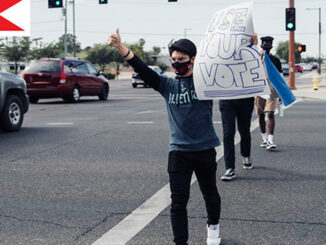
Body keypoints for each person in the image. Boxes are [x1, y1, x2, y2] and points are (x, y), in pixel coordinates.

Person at [108, 28, 221, 245]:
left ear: (193, 59)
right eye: (173, 60)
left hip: (205, 149)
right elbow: (140, 67)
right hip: (178, 151)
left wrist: (252, 47)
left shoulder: (205, 82)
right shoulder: (167, 85)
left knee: (210, 194)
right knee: (178, 201)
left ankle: (213, 227)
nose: (176, 63)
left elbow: (235, 72)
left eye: (181, 59)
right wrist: (120, 46)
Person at [220, 34, 258, 181]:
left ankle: (246, 155)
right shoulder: (220, 55)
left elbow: (258, 64)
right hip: (227, 98)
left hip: (244, 98)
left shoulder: (248, 53)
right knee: (228, 133)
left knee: (244, 130)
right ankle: (229, 167)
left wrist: (254, 46)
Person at [255, 36, 282, 150]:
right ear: (261, 45)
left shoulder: (275, 60)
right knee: (261, 115)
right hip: (259, 90)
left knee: (270, 114)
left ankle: (270, 140)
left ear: (271, 46)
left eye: (269, 44)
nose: (267, 46)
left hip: (272, 91)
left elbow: (279, 78)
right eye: (265, 44)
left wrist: (281, 93)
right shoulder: (256, 58)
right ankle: (264, 138)